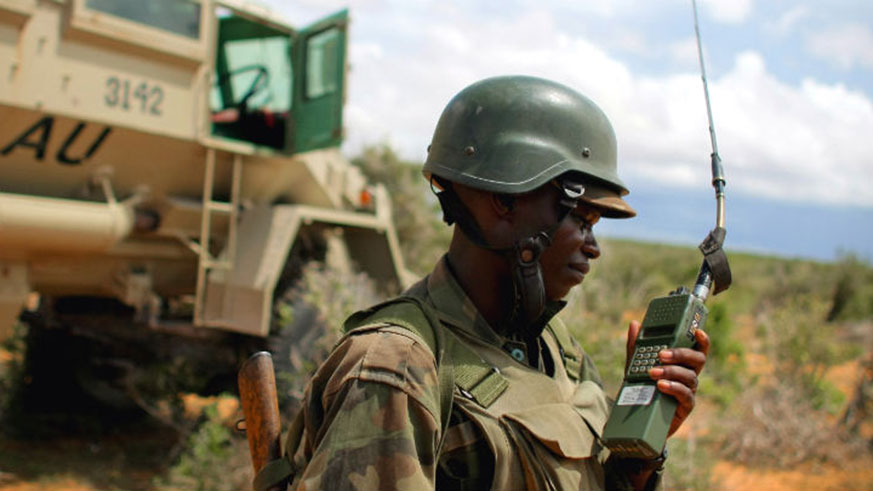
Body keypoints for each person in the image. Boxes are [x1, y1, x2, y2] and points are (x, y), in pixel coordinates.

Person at [268, 75, 708, 491]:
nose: (592, 247)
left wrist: (640, 450)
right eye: (580, 218)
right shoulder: (396, 368)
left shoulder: (555, 347)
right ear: (503, 201)